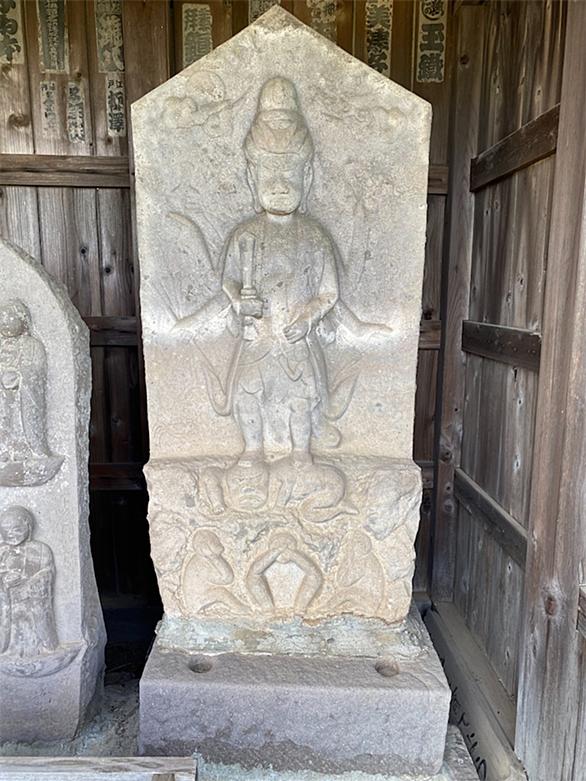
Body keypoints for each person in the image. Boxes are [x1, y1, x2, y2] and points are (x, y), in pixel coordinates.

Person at [220, 77, 339, 467]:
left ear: (308, 176)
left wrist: (308, 318)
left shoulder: (314, 236)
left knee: (300, 398)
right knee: (247, 394)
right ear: (251, 177)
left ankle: (301, 454)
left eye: (290, 172)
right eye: (269, 172)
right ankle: (252, 450)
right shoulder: (245, 234)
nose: (280, 184)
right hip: (258, 337)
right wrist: (239, 301)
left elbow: (329, 292)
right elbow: (229, 280)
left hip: (293, 336)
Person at [0, 505, 58, 656]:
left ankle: (40, 647)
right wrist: (4, 582)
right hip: (8, 603)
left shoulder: (41, 549)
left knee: (32, 623)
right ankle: (8, 649)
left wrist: (28, 585)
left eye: (16, 529)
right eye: (6, 530)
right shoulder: (1, 551)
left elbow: (47, 573)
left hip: (32, 602)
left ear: (28, 526)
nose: (11, 534)